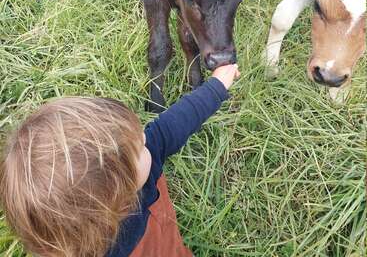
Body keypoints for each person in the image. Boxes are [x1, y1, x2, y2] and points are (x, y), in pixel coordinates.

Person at [0, 64, 240, 257]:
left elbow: (173, 126)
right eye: (140, 147)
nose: (146, 137)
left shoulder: (139, 166)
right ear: (119, 197)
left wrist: (216, 87)